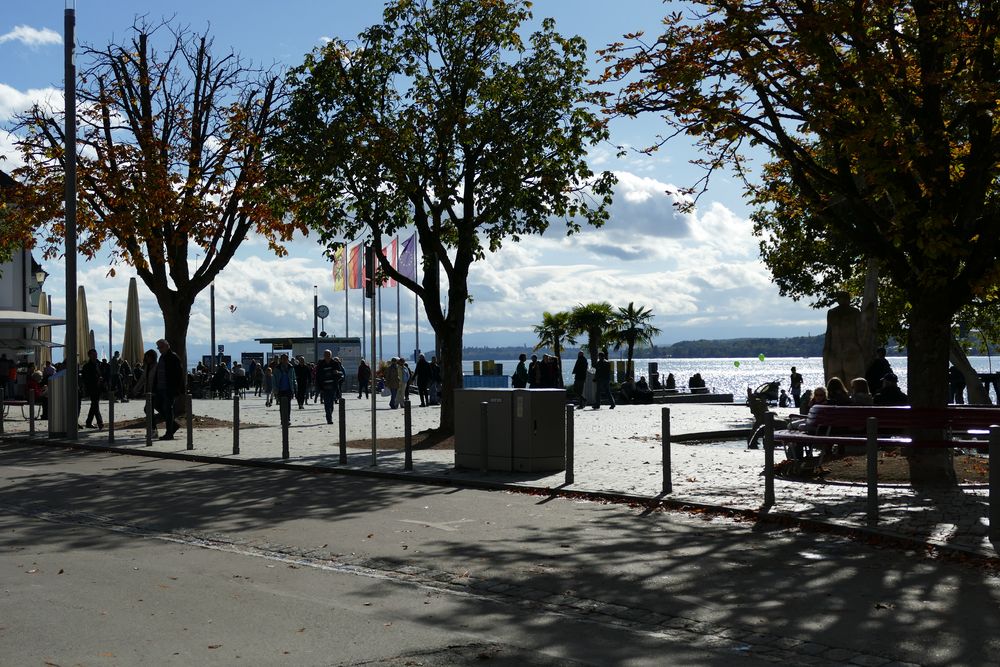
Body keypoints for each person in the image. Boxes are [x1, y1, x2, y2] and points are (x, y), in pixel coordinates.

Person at [823, 291, 866, 385]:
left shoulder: (832, 313)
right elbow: (860, 334)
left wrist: (826, 351)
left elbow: (828, 334)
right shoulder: (854, 312)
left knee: (835, 381)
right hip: (850, 351)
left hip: (836, 352)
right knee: (853, 380)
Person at [153, 339, 184, 440]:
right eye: (158, 347)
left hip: (169, 389)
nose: (159, 349)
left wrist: (178, 389)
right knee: (157, 405)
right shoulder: (162, 357)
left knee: (168, 409)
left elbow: (179, 374)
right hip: (160, 388)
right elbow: (158, 373)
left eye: (161, 347)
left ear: (167, 346)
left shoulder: (173, 357)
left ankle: (169, 433)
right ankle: (173, 425)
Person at [314, 350, 341, 424]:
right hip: (324, 387)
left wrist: (337, 372)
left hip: (333, 386)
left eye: (328, 355)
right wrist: (318, 386)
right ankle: (329, 418)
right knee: (326, 403)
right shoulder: (321, 364)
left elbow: (341, 373)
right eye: (326, 355)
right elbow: (317, 376)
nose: (327, 356)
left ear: (331, 355)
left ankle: (330, 414)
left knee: (331, 403)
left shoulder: (335, 363)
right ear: (324, 355)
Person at [81, 348, 104, 429]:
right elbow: (85, 378)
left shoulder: (98, 364)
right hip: (92, 387)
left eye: (96, 354)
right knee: (95, 405)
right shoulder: (87, 366)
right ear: (89, 356)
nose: (95, 356)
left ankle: (88, 422)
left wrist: (101, 378)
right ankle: (100, 422)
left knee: (94, 405)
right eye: (93, 355)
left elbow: (101, 374)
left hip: (98, 387)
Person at [272, 354, 297, 425]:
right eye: (283, 359)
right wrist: (275, 389)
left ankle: (288, 419)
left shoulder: (291, 367)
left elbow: (294, 378)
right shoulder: (277, 368)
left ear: (287, 359)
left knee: (288, 405)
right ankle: (282, 419)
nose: (284, 360)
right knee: (281, 406)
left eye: (286, 358)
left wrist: (295, 388)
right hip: (280, 390)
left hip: (289, 389)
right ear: (281, 359)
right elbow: (274, 379)